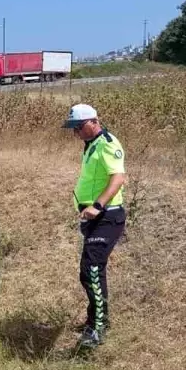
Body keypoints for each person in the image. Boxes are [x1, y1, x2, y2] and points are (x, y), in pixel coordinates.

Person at [65, 103, 127, 350]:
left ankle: (98, 328)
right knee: (90, 271)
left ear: (93, 122)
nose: (75, 133)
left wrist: (98, 206)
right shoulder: (91, 145)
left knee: (91, 269)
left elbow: (118, 178)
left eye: (78, 127)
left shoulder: (108, 144)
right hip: (93, 220)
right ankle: (97, 319)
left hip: (107, 217)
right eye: (73, 129)